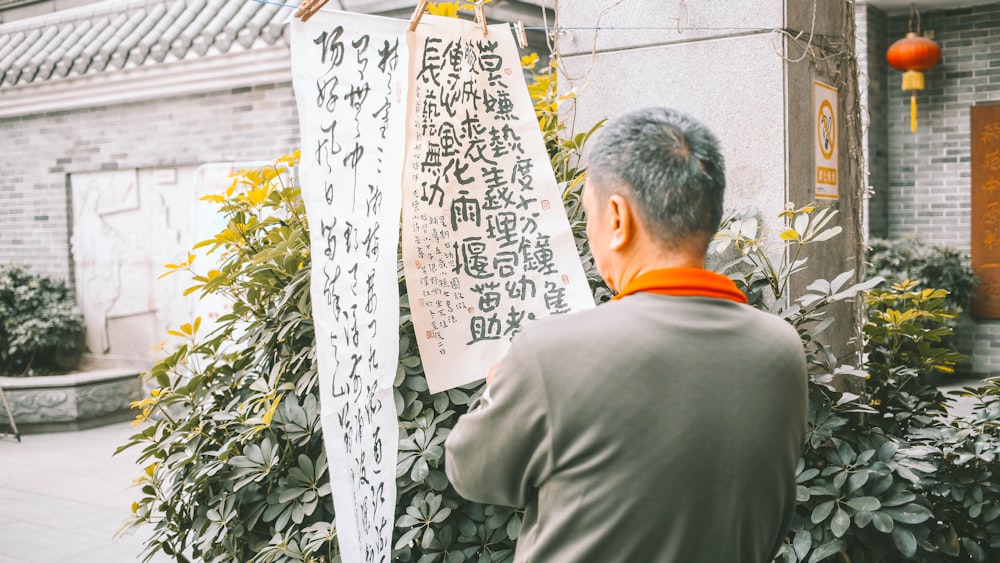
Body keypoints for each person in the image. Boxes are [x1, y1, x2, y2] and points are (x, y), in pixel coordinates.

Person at [444, 107, 808, 563]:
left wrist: (499, 386)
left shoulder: (551, 352)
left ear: (616, 218)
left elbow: (471, 472)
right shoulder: (781, 349)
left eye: (589, 212)